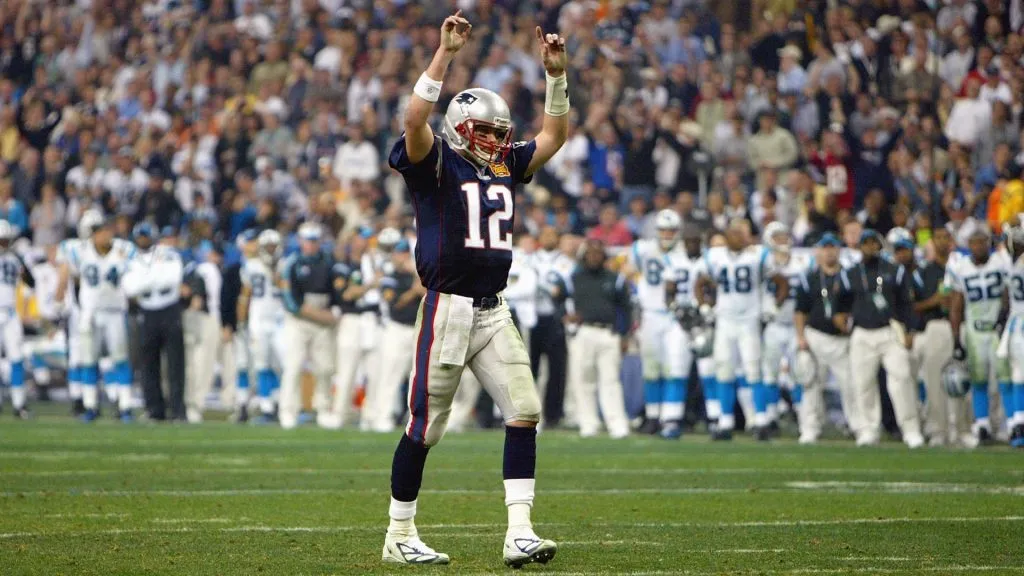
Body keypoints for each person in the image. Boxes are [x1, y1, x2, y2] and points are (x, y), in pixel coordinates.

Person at [383, 12, 568, 567]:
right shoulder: (435, 159)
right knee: (425, 428)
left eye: (498, 132)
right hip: (447, 309)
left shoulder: (506, 164)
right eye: (483, 130)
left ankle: (519, 533)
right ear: (460, 128)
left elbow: (554, 134)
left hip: (493, 310)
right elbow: (416, 118)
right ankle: (399, 533)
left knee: (524, 410)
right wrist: (444, 54)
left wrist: (556, 76)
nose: (493, 140)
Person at [697, 218, 788, 441]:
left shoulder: (758, 255)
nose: (737, 238)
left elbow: (782, 282)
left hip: (750, 320)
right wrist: (704, 305)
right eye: (733, 234)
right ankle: (725, 421)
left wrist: (774, 306)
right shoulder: (715, 256)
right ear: (726, 237)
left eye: (740, 234)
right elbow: (699, 283)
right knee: (724, 370)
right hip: (725, 320)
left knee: (753, 370)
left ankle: (761, 420)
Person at [836, 229, 924, 448]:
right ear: (860, 246)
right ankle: (868, 429)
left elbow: (906, 304)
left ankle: (911, 429)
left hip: (889, 330)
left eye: (873, 243)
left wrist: (910, 331)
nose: (869, 247)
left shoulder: (895, 271)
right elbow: (840, 303)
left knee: (901, 379)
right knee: (863, 383)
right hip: (862, 332)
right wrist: (841, 321)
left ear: (880, 246)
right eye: (865, 243)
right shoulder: (850, 273)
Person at [625, 209, 701, 438]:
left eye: (672, 230)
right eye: (664, 230)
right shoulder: (642, 248)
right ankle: (653, 416)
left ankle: (671, 418)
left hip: (676, 317)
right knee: (651, 369)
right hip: (650, 314)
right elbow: (628, 272)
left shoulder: (685, 251)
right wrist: (637, 296)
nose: (667, 234)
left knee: (675, 367)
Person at [56, 210, 136, 422]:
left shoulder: (123, 250)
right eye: (98, 232)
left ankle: (125, 406)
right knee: (89, 360)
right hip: (90, 313)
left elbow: (136, 273)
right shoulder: (78, 250)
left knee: (120, 359)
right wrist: (60, 294)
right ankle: (90, 405)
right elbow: (66, 272)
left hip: (115, 312)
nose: (103, 236)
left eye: (105, 231)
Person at [947, 226, 1011, 445]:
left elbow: (1007, 293)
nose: (978, 246)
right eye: (974, 242)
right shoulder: (961, 268)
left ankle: (1010, 423)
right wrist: (956, 338)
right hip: (975, 331)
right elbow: (956, 305)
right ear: (968, 246)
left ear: (988, 243)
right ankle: (982, 424)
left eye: (982, 241)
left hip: (997, 329)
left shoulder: (1000, 263)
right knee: (979, 379)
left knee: (1005, 378)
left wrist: (1005, 318)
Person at [565, 239, 631, 438]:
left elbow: (626, 308)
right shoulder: (574, 278)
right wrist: (566, 316)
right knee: (583, 380)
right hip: (583, 332)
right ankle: (588, 422)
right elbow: (560, 300)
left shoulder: (615, 279)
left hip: (608, 333)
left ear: (604, 256)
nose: (594, 257)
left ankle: (617, 424)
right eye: (591, 253)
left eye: (598, 253)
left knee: (610, 380)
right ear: (584, 256)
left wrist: (624, 334)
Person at [794, 233, 856, 444]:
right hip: (816, 336)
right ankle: (810, 428)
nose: (829, 251)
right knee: (811, 385)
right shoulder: (809, 278)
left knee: (850, 385)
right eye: (825, 247)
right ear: (818, 251)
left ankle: (858, 427)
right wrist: (801, 337)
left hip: (842, 339)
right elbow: (800, 310)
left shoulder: (849, 276)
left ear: (839, 250)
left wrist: (849, 322)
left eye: (833, 247)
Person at [121, 222, 186, 422]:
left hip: (169, 309)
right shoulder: (131, 258)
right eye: (139, 236)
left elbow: (173, 278)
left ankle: (177, 410)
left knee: (175, 364)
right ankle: (154, 409)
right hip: (147, 312)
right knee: (149, 363)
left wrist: (145, 280)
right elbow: (130, 288)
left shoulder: (168, 253)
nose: (142, 240)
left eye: (145, 236)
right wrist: (153, 278)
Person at [278, 222, 337, 430]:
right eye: (308, 240)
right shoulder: (292, 263)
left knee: (325, 367)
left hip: (323, 315)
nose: (311, 245)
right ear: (300, 241)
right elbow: (291, 301)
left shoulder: (328, 261)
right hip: (300, 320)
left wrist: (333, 311)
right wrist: (321, 315)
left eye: (314, 240)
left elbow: (334, 290)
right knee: (293, 366)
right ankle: (288, 410)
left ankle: (323, 409)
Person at [758, 222, 812, 438]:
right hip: (773, 325)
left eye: (784, 236)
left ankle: (803, 418)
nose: (782, 241)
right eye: (777, 237)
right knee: (769, 374)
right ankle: (770, 418)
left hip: (796, 326)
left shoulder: (802, 263)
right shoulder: (762, 263)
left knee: (800, 373)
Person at [905, 227, 957, 446]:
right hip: (935, 326)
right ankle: (937, 430)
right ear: (933, 242)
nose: (942, 241)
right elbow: (910, 306)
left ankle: (961, 429)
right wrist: (933, 301)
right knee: (934, 381)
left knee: (961, 382)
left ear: (952, 241)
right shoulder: (923, 273)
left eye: (946, 237)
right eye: (938, 237)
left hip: (960, 326)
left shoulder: (960, 268)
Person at [373, 241, 425, 433]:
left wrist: (417, 277)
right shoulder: (390, 278)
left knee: (417, 377)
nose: (402, 257)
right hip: (396, 328)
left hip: (417, 328)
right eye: (399, 253)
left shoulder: (420, 276)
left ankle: (413, 419)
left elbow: (430, 295)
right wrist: (414, 290)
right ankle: (382, 416)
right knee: (390, 375)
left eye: (405, 254)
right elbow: (395, 303)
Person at [530, 226, 573, 428]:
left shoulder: (565, 262)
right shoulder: (529, 259)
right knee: (529, 368)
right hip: (531, 318)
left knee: (557, 370)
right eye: (545, 234)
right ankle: (528, 413)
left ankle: (553, 415)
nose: (548, 237)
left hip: (555, 319)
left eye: (552, 234)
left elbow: (568, 290)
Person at [182, 242, 224, 424]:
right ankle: (194, 405)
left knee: (191, 365)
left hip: (190, 316)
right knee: (200, 365)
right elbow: (204, 299)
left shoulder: (191, 266)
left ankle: (187, 404)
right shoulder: (208, 269)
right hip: (204, 318)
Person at [0, 220, 34, 417]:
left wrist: (23, 268)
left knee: (16, 358)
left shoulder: (16, 258)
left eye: (5, 240)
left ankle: (19, 403)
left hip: (11, 312)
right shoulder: (15, 258)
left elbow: (31, 281)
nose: (3, 244)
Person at [1001, 220, 1024, 448]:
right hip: (1018, 322)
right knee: (1017, 374)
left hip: (1016, 323)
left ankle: (1018, 422)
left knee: (1018, 374)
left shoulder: (1009, 265)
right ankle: (1019, 423)